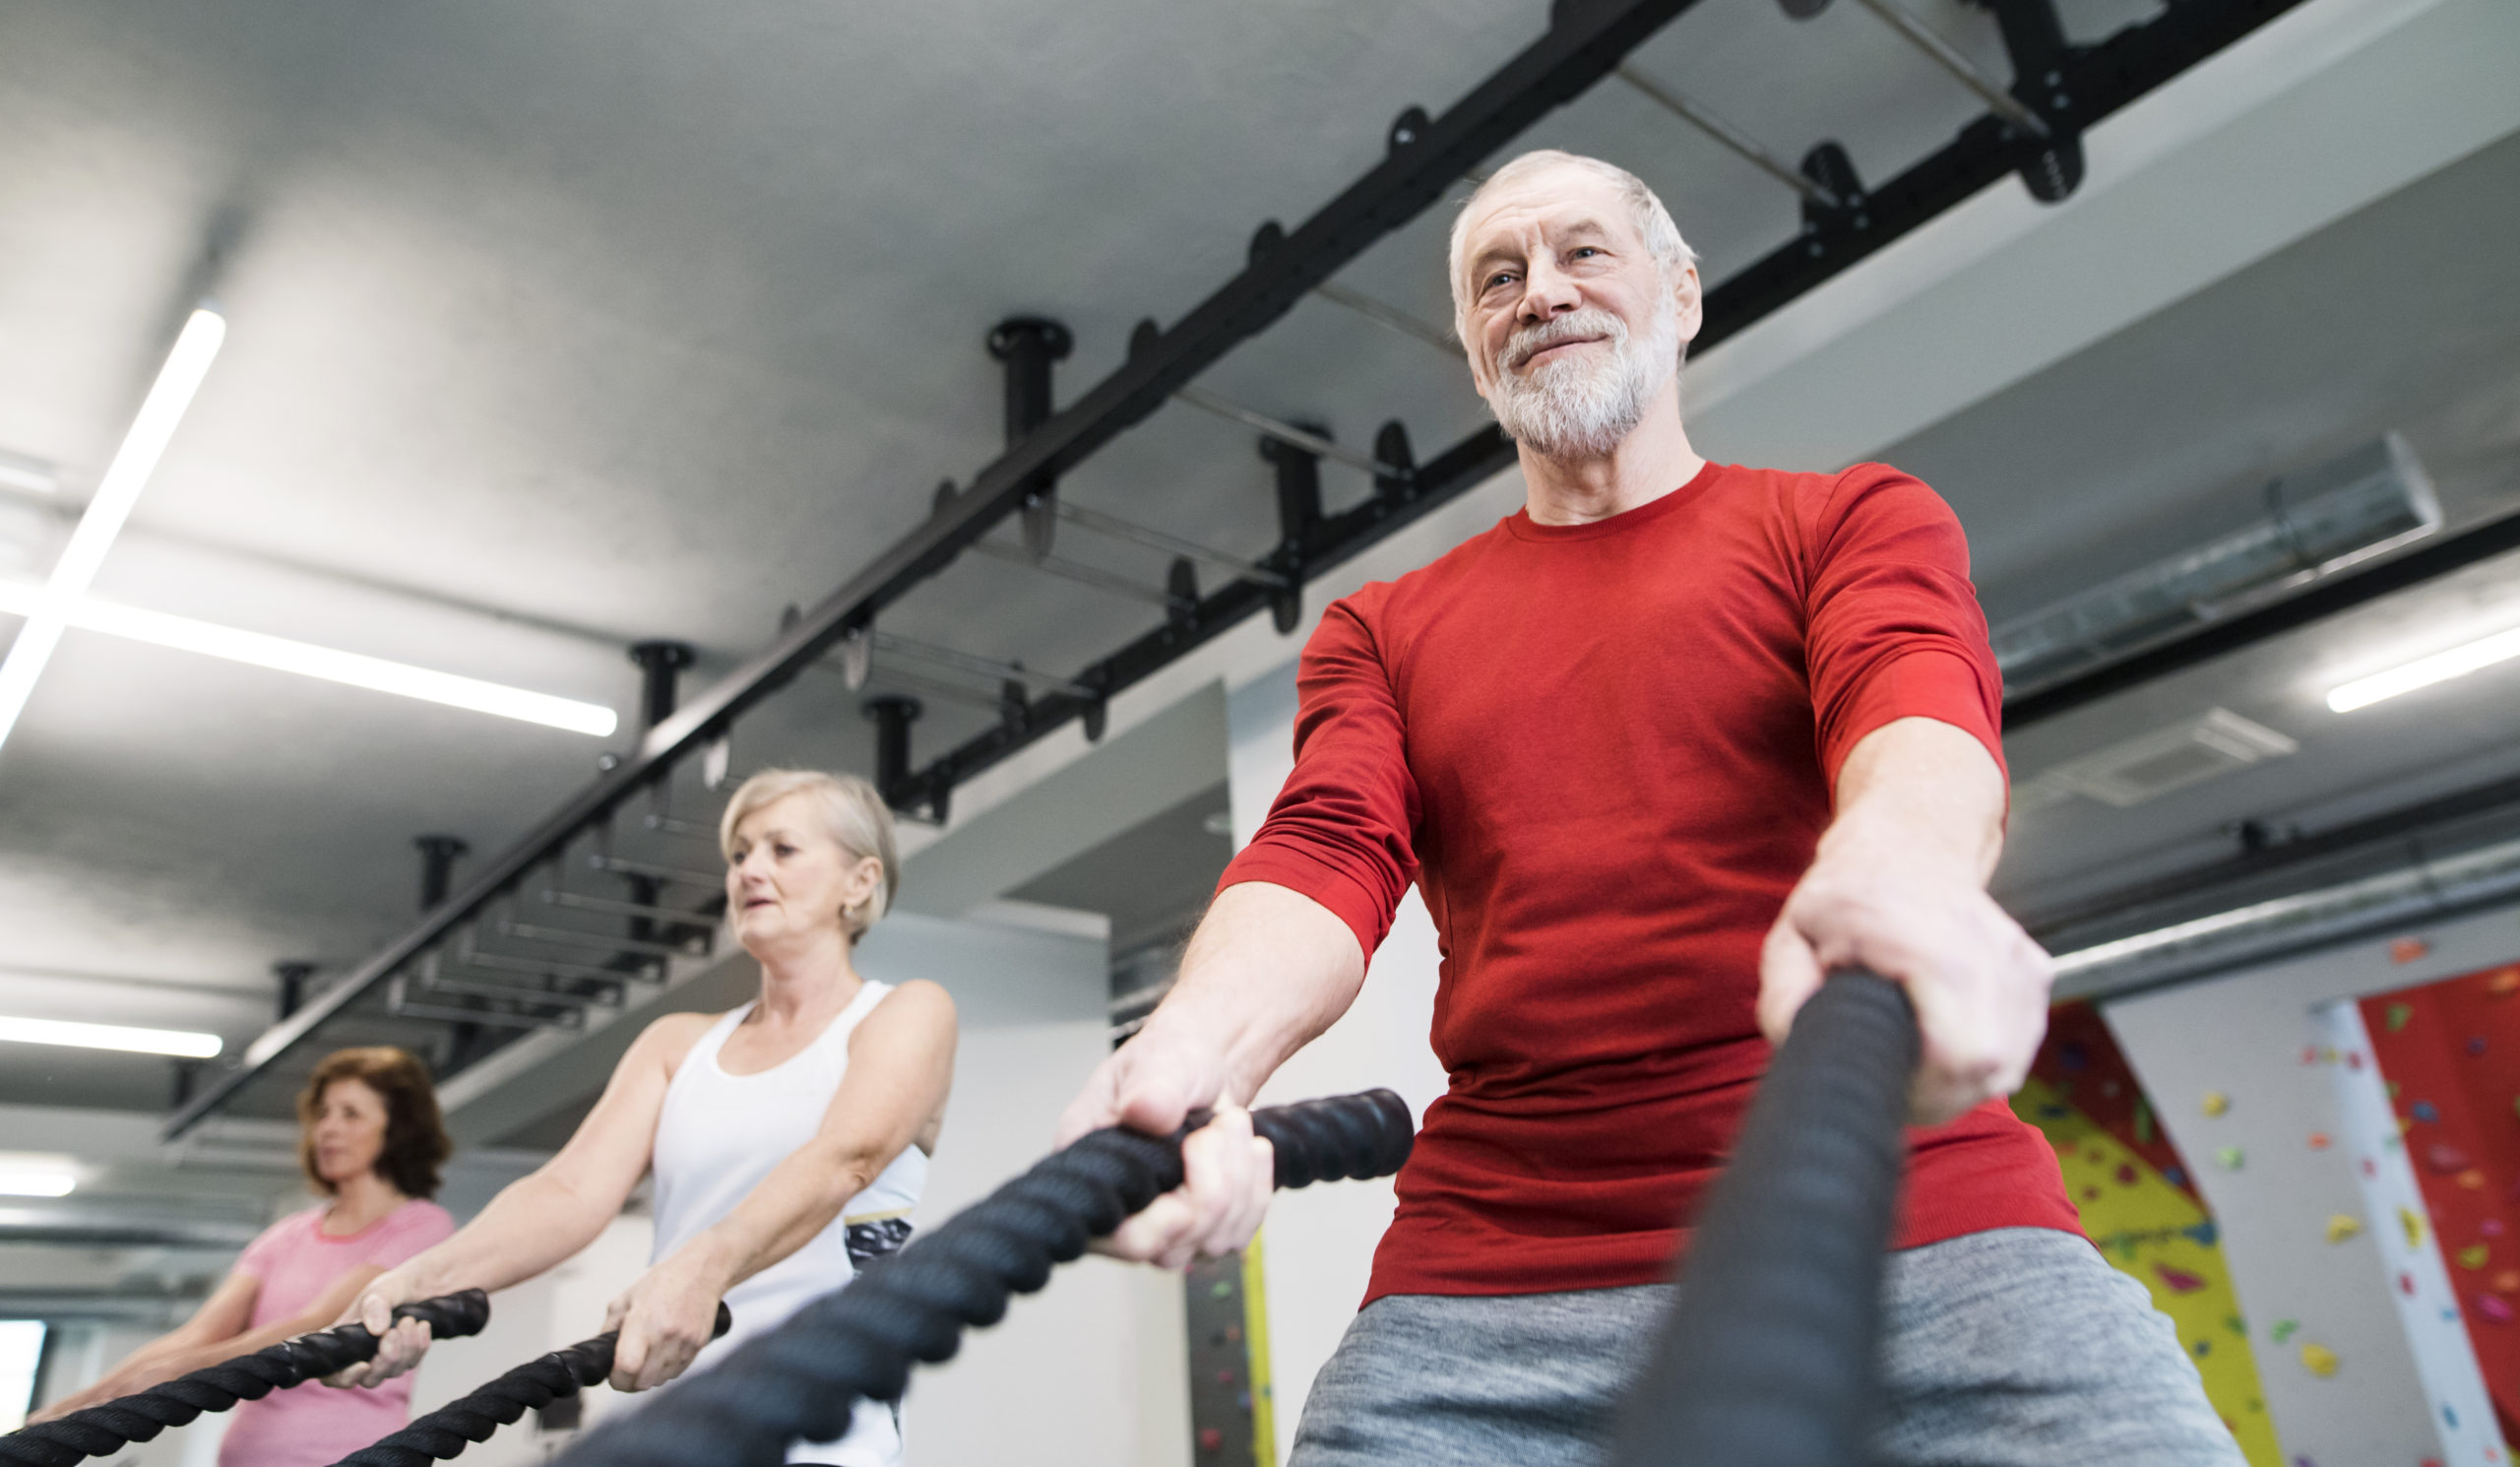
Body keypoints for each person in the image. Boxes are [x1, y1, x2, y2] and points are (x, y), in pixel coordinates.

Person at [1059, 151, 2243, 1464]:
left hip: (1919, 1224)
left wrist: (1900, 873)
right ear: (1474, 355)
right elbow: (1326, 846)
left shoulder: (1844, 518)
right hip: (1489, 1291)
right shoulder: (1381, 628)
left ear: (1680, 292)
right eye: (1497, 278)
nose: (1542, 291)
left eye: (1584, 252)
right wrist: (1188, 1061)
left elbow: (1912, 706)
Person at [335, 768, 955, 1467]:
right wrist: (422, 1278)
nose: (750, 869)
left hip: (821, 1434)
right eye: (740, 853)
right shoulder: (677, 1043)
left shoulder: (905, 1012)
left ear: (860, 880)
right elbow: (569, 1192)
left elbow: (849, 1156)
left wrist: (705, 1265)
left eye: (782, 849)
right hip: (664, 1421)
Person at [32, 1046, 457, 1467]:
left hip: (353, 1455)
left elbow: (319, 1323)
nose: (327, 1129)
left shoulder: (421, 1225)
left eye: (350, 1114)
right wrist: (82, 1402)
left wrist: (184, 1370)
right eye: (323, 1113)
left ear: (397, 1128)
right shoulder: (285, 1235)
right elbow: (199, 1333)